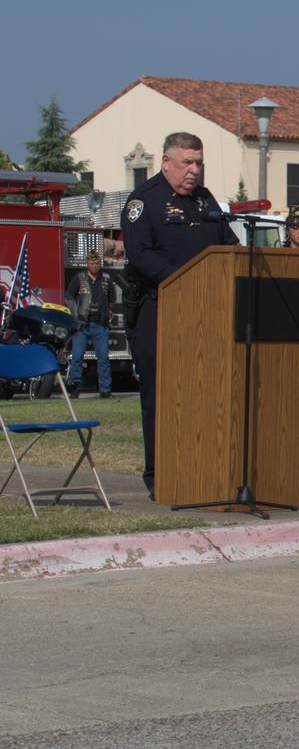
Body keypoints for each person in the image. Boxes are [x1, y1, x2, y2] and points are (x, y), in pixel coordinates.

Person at [121, 132, 238, 496]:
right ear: (166, 162)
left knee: (204, 395)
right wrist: (183, 280)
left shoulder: (205, 200)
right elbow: (140, 255)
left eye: (199, 162)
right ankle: (162, 476)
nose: (194, 170)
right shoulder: (144, 201)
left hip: (207, 313)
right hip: (160, 309)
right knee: (161, 398)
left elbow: (229, 245)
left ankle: (202, 469)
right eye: (187, 162)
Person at [65, 251, 120, 398]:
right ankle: (74, 388)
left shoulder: (106, 279)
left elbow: (112, 299)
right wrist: (75, 312)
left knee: (103, 358)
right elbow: (69, 297)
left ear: (99, 264)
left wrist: (107, 311)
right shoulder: (79, 278)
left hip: (100, 324)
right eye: (91, 263)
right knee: (77, 357)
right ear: (87, 264)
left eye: (96, 263)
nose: (94, 266)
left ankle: (105, 390)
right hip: (82, 325)